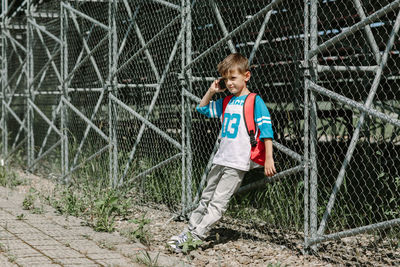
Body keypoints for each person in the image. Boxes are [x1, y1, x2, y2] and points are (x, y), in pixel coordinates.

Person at [168, 53, 276, 252]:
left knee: (218, 203)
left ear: (247, 76)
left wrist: (269, 158)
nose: (229, 83)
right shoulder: (226, 101)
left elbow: (267, 131)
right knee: (205, 197)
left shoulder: (254, 101)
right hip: (221, 159)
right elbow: (202, 109)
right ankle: (190, 230)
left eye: (233, 78)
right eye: (226, 79)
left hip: (237, 162)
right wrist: (211, 91)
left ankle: (196, 237)